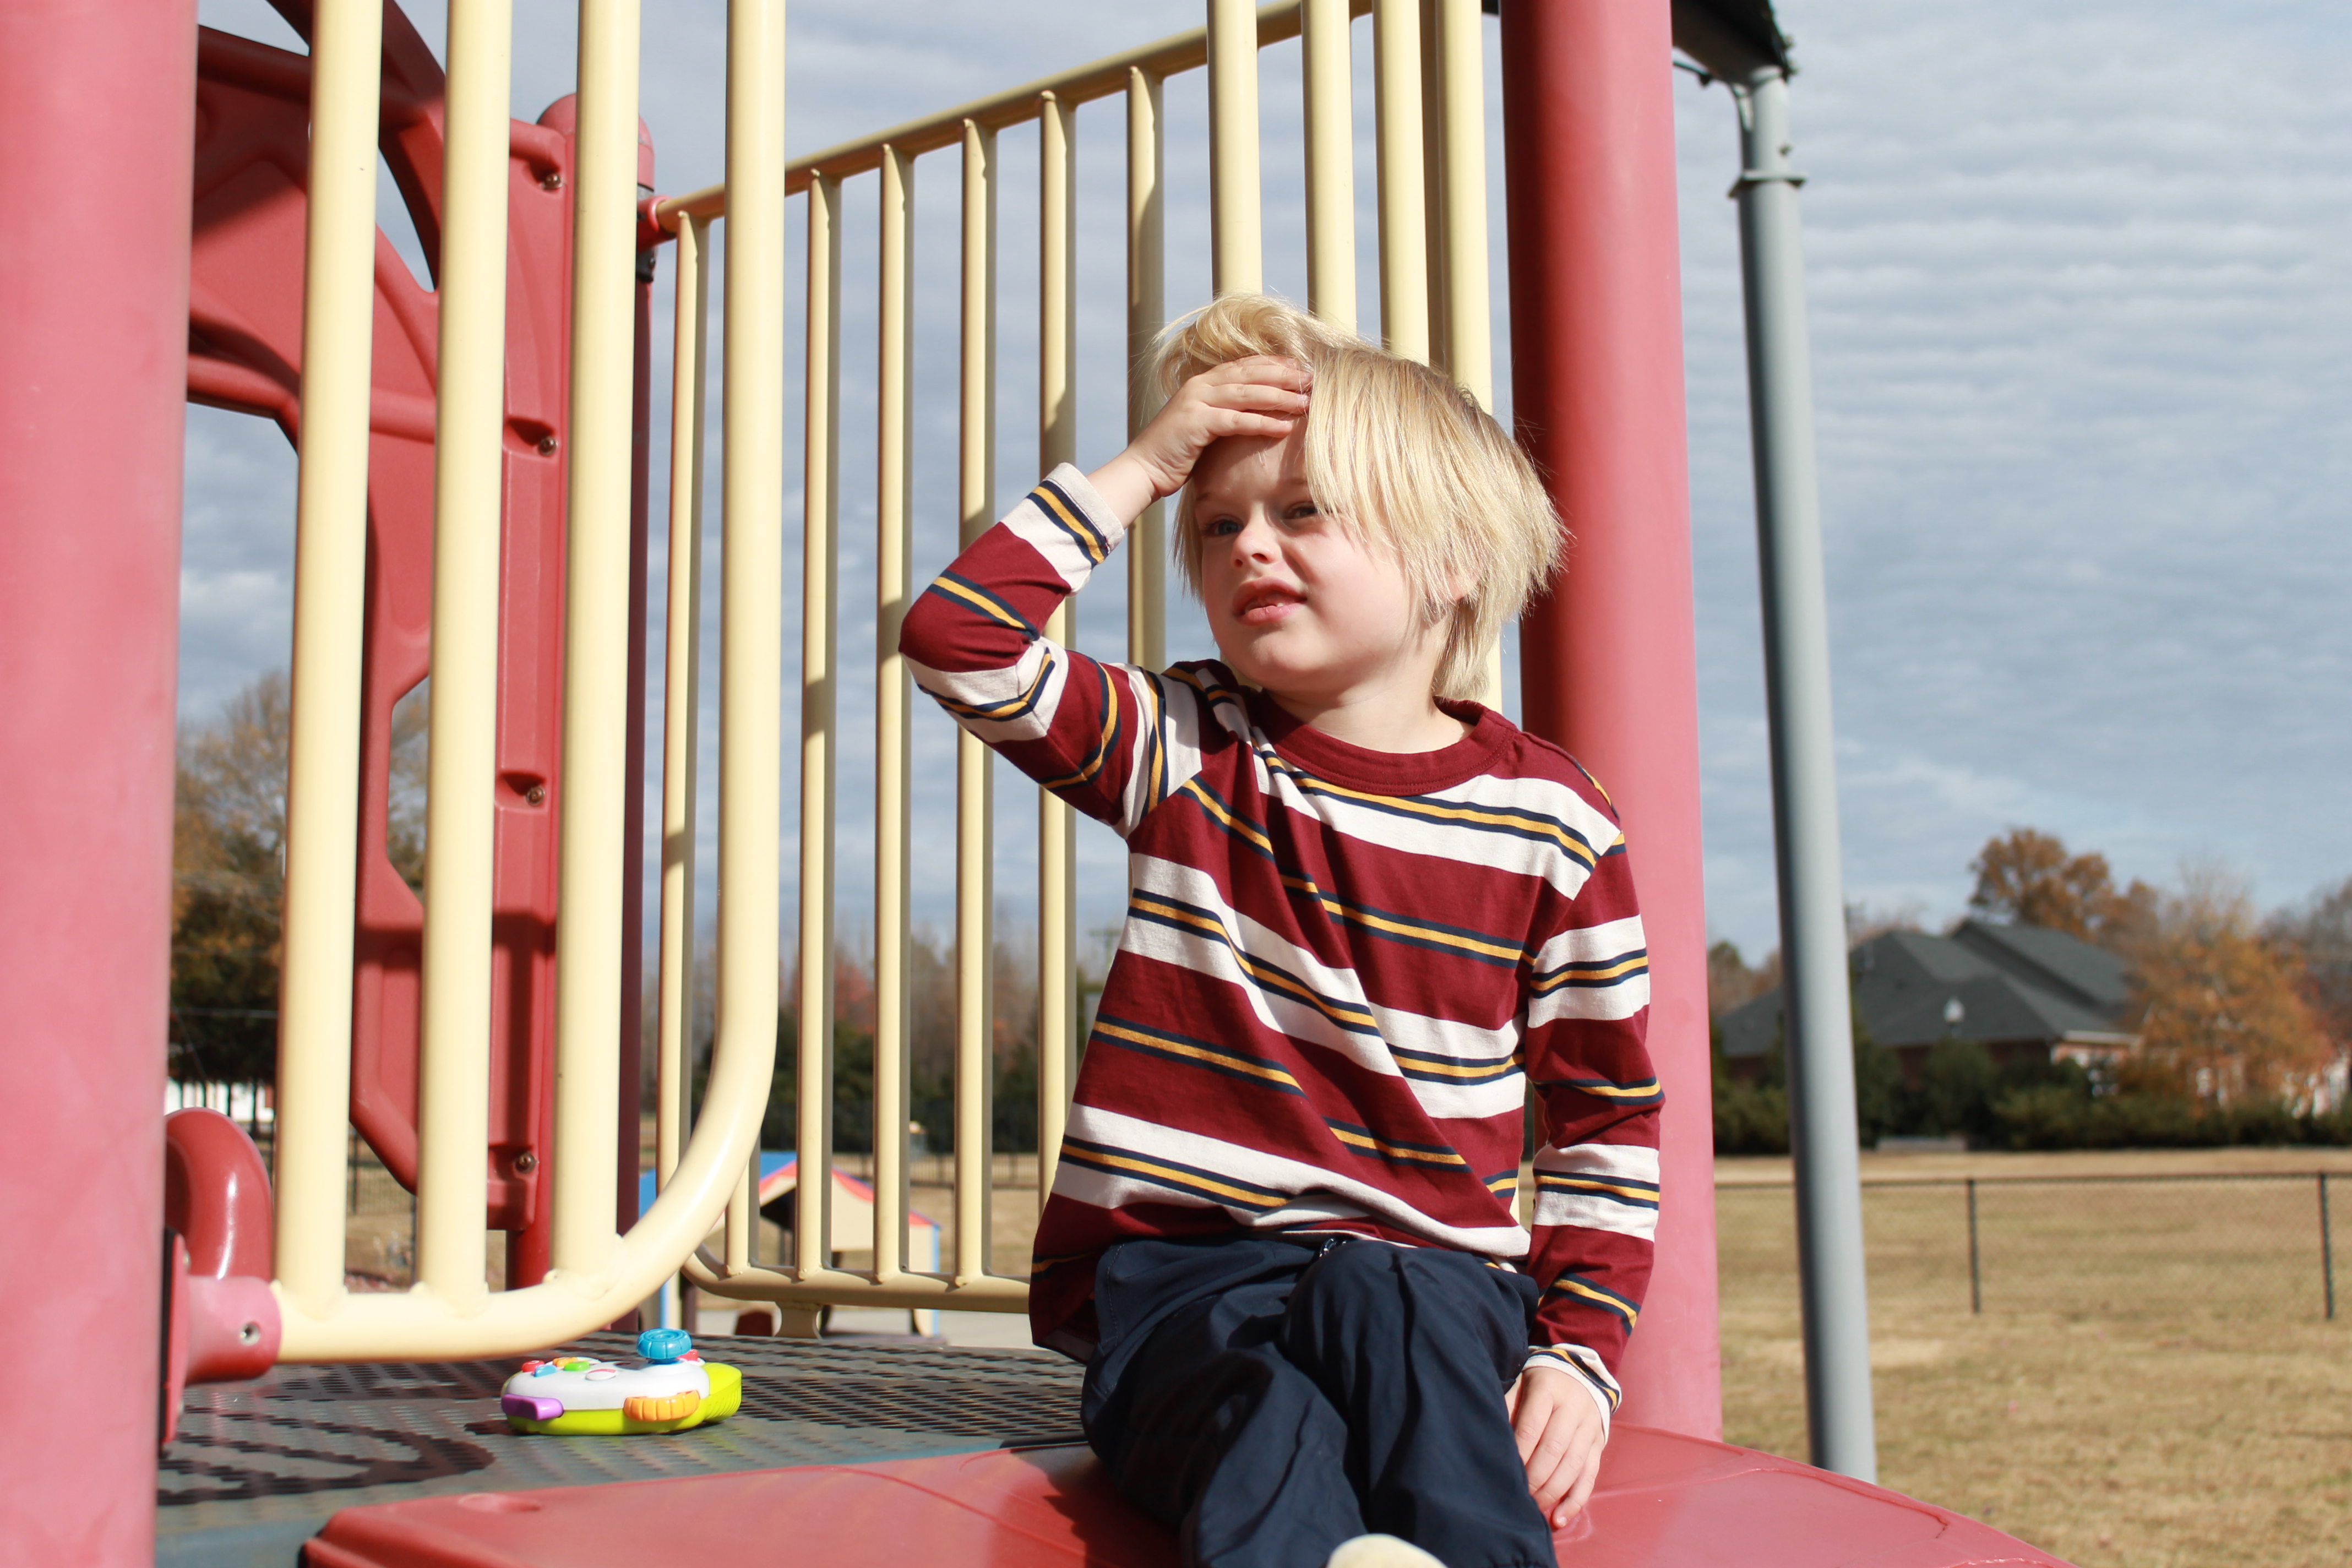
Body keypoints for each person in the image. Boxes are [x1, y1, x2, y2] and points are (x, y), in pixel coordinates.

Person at [899, 294, 1658, 1568]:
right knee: (1263, 1426)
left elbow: (1604, 1117)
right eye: (1216, 522)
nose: (1250, 544)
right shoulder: (1192, 749)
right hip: (1188, 1281)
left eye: (1303, 510)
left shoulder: (1552, 821)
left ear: (1457, 556)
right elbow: (960, 642)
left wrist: (1579, 1359)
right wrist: (1144, 465)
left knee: (1397, 1303)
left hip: (1437, 1285)